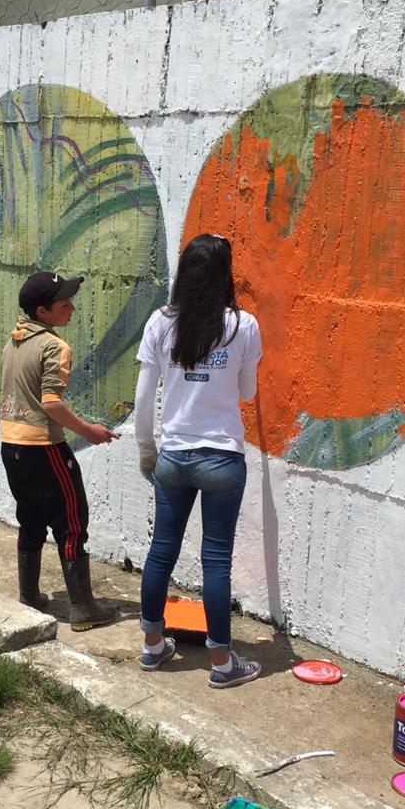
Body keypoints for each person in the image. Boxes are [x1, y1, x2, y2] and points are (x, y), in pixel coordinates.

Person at [133, 234, 263, 688]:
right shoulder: (242, 325)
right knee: (217, 560)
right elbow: (247, 392)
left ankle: (153, 646)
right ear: (225, 274)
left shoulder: (161, 323)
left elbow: (144, 397)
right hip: (223, 459)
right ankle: (223, 664)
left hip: (173, 456)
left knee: (161, 551)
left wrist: (148, 451)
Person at [0, 270, 119, 631]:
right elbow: (51, 403)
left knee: (31, 517)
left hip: (11, 445)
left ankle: (30, 595)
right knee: (71, 523)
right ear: (42, 311)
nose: (73, 309)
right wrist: (88, 431)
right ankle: (82, 609)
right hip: (44, 448)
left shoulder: (15, 340)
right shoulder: (55, 347)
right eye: (64, 304)